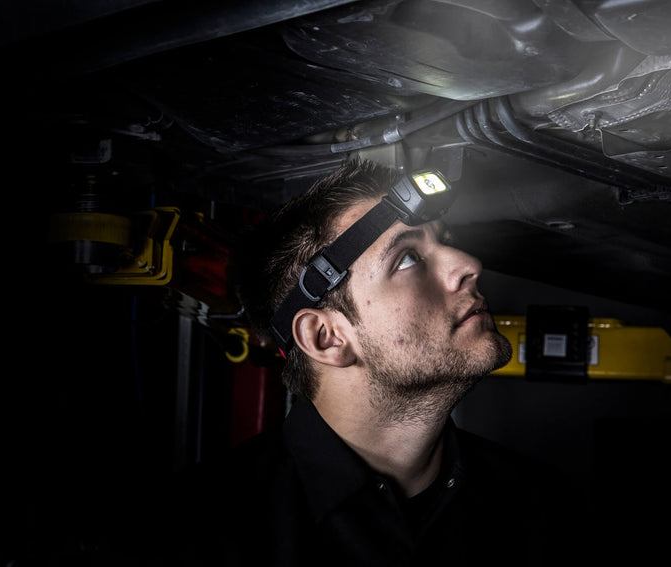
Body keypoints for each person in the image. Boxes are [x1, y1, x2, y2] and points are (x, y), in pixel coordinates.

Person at [171, 158, 584, 566]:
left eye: (446, 239)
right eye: (407, 258)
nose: (468, 265)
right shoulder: (193, 539)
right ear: (326, 337)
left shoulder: (541, 508)